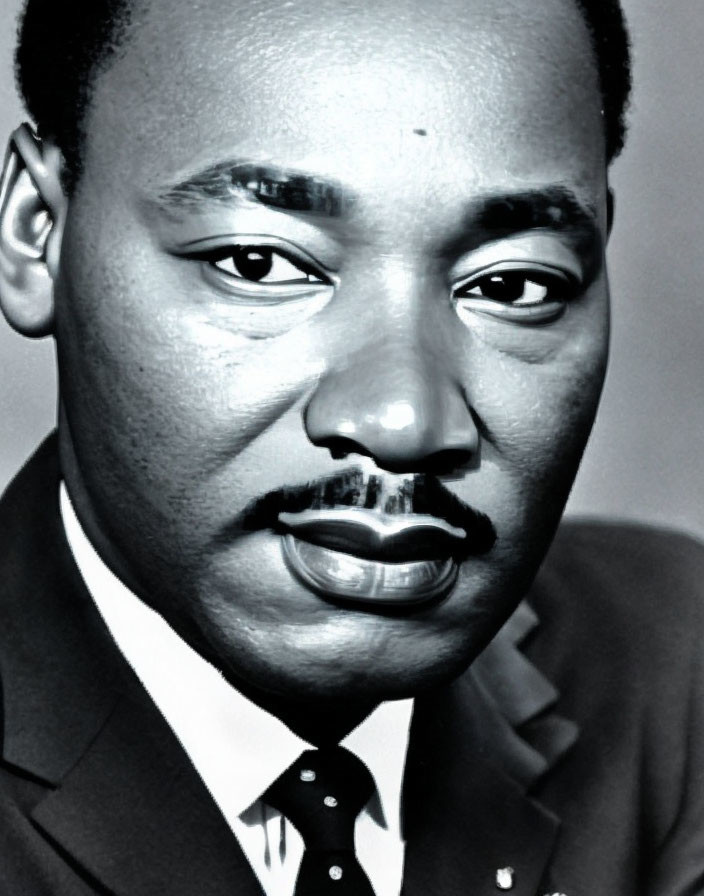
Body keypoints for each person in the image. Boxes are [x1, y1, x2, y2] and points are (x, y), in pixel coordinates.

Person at [1, 0, 703, 893]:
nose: (405, 423)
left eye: (514, 283)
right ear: (37, 233)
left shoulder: (677, 661)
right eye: (259, 264)